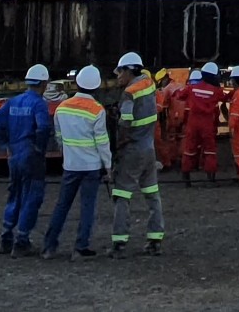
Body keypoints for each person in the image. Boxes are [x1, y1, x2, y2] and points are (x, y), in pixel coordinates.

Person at [42, 65, 111, 261]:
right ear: (96, 86)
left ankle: (49, 247)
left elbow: (59, 137)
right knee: (87, 207)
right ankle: (80, 248)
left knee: (62, 205)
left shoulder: (61, 108)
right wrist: (108, 166)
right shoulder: (97, 110)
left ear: (77, 83)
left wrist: (67, 155)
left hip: (70, 165)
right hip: (91, 167)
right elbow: (102, 142)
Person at [0, 64, 55, 256]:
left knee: (15, 194)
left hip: (14, 155)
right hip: (31, 155)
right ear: (44, 83)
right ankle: (22, 240)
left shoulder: (13, 101)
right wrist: (39, 148)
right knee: (32, 196)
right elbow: (43, 128)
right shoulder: (39, 104)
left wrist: (6, 144)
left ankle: (6, 237)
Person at [107, 52, 166, 257]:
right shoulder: (149, 83)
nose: (118, 77)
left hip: (132, 149)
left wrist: (118, 147)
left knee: (122, 195)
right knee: (152, 194)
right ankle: (155, 240)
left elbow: (126, 124)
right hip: (149, 149)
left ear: (128, 70)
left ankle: (119, 243)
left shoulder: (129, 92)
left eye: (119, 72)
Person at [182, 66, 224, 186]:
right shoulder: (215, 91)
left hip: (193, 123)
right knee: (210, 151)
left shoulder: (191, 88)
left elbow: (179, 95)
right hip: (207, 125)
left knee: (189, 150)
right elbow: (226, 97)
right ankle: (210, 178)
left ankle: (186, 178)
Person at [155, 68, 186, 169]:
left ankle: (171, 160)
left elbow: (162, 106)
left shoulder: (167, 89)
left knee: (171, 138)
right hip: (185, 115)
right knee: (183, 137)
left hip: (175, 116)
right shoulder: (181, 85)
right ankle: (183, 159)